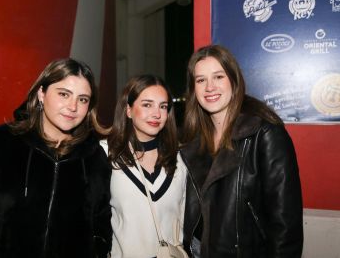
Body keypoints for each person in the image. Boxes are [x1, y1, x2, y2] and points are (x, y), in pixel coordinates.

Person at [0, 58, 112, 258]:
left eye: (83, 99)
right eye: (63, 94)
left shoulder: (94, 156)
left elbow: (102, 219)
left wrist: (95, 249)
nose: (73, 106)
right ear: (42, 94)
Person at [180, 44, 303, 258]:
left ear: (234, 81)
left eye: (218, 77)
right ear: (194, 89)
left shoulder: (265, 134)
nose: (210, 87)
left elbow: (286, 225)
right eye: (201, 80)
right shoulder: (193, 141)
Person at [100, 74, 188, 257]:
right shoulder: (106, 154)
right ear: (129, 110)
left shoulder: (182, 159)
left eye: (163, 106)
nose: (156, 114)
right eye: (147, 105)